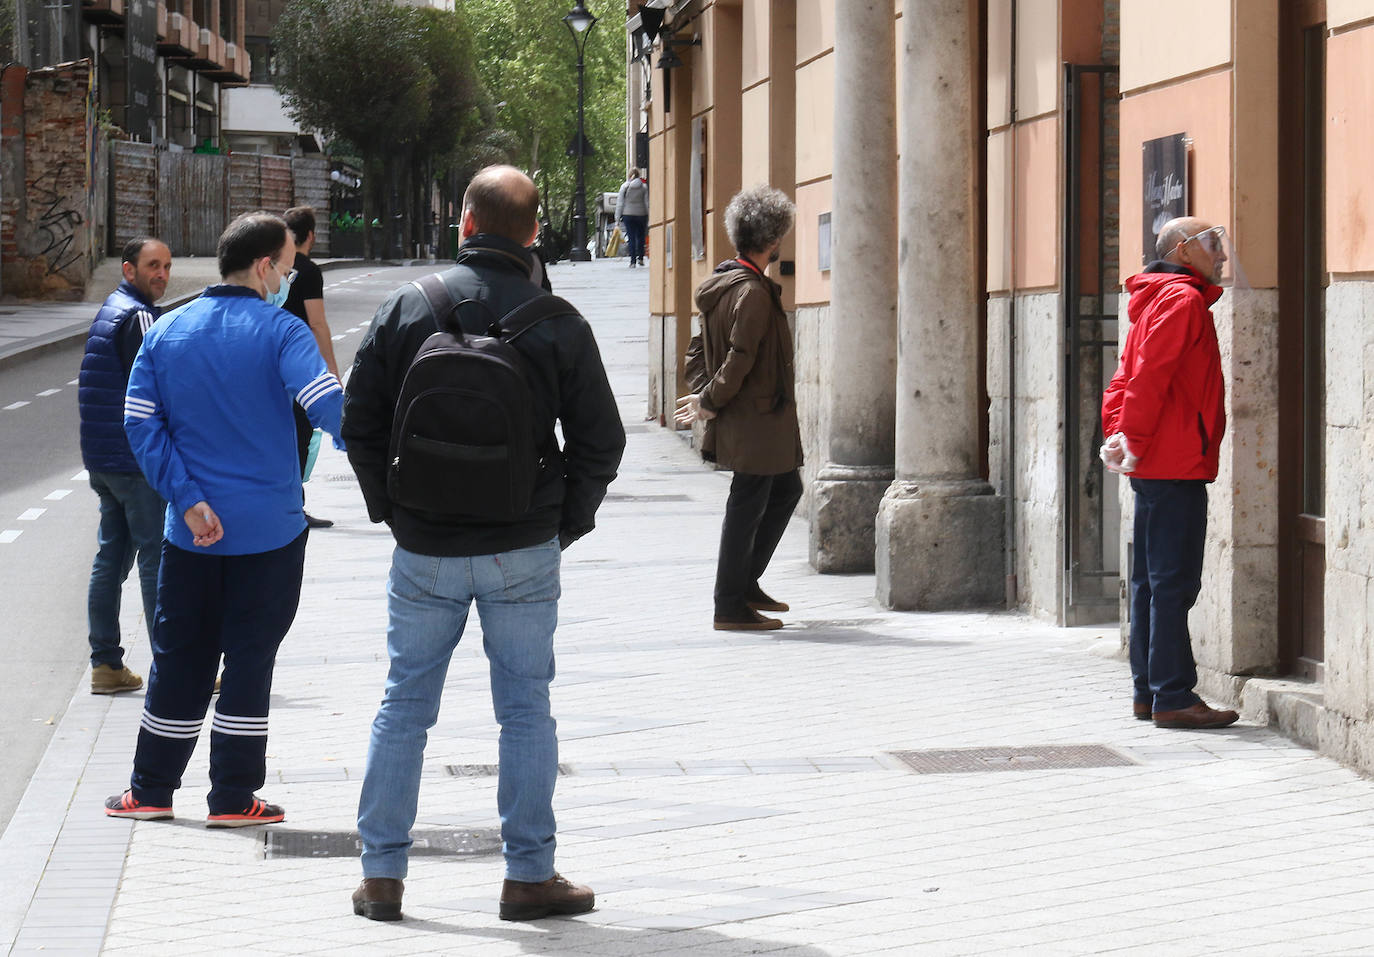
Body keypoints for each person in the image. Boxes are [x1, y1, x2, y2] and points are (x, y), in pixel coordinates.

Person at [343, 165, 625, 923]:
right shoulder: (557, 320)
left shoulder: (409, 306)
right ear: (533, 234)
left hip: (424, 545)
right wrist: (563, 522)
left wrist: (392, 510)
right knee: (526, 709)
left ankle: (381, 877)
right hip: (523, 544)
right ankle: (529, 876)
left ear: (465, 223)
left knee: (404, 705)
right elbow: (603, 440)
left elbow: (358, 421)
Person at [104, 211, 345, 825]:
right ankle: (234, 799)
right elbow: (327, 409)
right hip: (270, 532)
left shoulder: (167, 330)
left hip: (191, 534)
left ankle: (151, 791)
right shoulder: (283, 333)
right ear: (266, 267)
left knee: (180, 658)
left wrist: (186, 498)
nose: (288, 279)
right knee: (249, 659)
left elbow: (139, 421)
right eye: (288, 268)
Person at [1101, 215, 1238, 731]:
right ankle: (1174, 696)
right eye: (1211, 244)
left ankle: (1149, 692)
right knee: (1173, 582)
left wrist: (1120, 437)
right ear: (1183, 251)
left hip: (1160, 461)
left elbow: (1123, 378)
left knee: (1150, 582)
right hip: (1175, 462)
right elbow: (1149, 378)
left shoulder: (1157, 299)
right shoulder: (1181, 302)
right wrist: (1128, 439)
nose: (1221, 255)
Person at [674, 185, 800, 632]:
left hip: (758, 419)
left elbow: (695, 352)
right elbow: (739, 357)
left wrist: (705, 392)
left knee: (785, 490)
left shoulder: (725, 285)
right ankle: (729, 603)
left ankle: (746, 583)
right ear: (773, 240)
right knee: (748, 503)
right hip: (757, 420)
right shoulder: (751, 292)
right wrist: (709, 401)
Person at [78, 237, 171, 695]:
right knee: (157, 559)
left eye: (167, 266)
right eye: (153, 265)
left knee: (111, 557)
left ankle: (106, 665)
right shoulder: (137, 316)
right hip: (134, 460)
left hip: (105, 459)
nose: (162, 274)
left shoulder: (113, 307)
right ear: (128, 268)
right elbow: (152, 391)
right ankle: (171, 666)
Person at [282, 205, 339, 529]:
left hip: (271, 360)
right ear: (311, 236)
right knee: (301, 432)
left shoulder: (276, 265)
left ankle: (285, 502)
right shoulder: (308, 271)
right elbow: (317, 323)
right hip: (300, 364)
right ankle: (294, 506)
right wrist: (330, 368)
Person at [615, 168, 649, 267]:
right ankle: (641, 258)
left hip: (628, 214)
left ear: (630, 175)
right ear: (638, 175)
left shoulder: (624, 186)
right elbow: (646, 202)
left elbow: (620, 204)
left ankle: (633, 261)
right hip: (641, 214)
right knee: (641, 237)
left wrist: (617, 219)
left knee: (631, 237)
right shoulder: (644, 187)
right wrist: (649, 215)